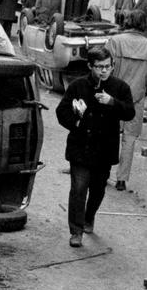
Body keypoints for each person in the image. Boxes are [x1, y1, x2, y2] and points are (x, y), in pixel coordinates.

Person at [55, 46, 134, 248]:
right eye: (99, 67)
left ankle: (89, 217)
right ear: (90, 66)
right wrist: (77, 123)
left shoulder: (120, 88)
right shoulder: (78, 86)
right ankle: (76, 231)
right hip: (81, 147)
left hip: (104, 149)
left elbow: (129, 113)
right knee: (78, 189)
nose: (104, 71)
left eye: (108, 66)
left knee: (97, 190)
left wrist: (112, 102)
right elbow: (62, 111)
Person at [106, 10, 147, 192]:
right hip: (135, 99)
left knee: (108, 133)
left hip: (113, 97)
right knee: (129, 139)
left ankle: (104, 171)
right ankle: (121, 180)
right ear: (144, 24)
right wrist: (143, 92)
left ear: (127, 21)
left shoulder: (115, 41)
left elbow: (105, 68)